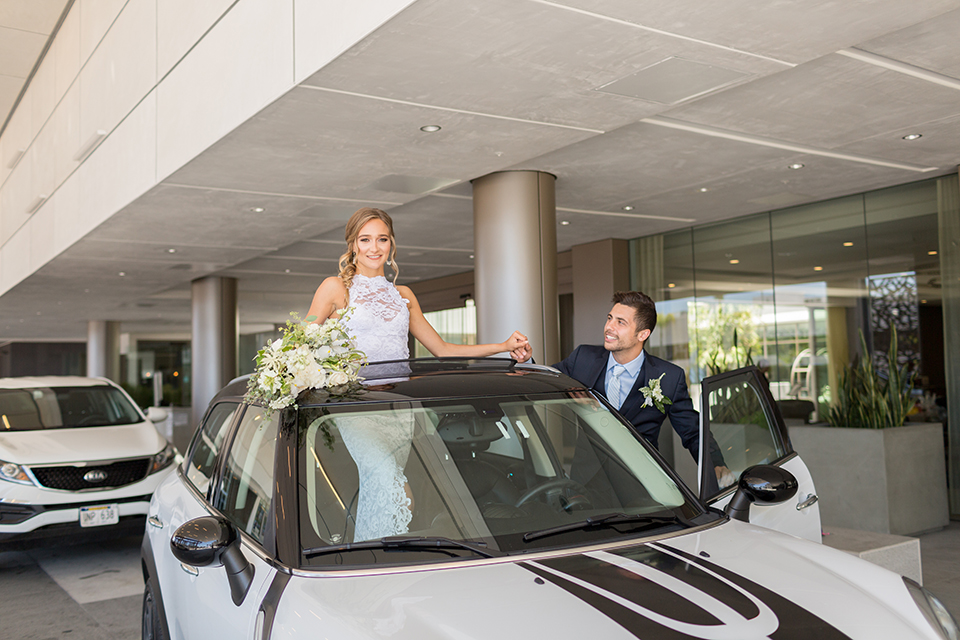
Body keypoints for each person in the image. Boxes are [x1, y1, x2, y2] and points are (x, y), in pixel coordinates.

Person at [306, 207, 531, 541]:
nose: (374, 247)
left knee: (375, 490)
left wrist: (501, 345)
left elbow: (442, 349)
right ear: (352, 245)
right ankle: (381, 558)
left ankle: (369, 554)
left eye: (382, 239)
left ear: (391, 244)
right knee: (396, 489)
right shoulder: (335, 288)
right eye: (365, 239)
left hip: (400, 409)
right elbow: (303, 344)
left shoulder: (403, 296)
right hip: (357, 408)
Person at [553, 291, 730, 483]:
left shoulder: (668, 377)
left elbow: (693, 431)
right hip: (587, 482)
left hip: (641, 484)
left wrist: (716, 465)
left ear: (643, 334)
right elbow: (545, 380)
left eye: (621, 322)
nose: (608, 327)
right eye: (610, 318)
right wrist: (523, 359)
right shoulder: (583, 358)